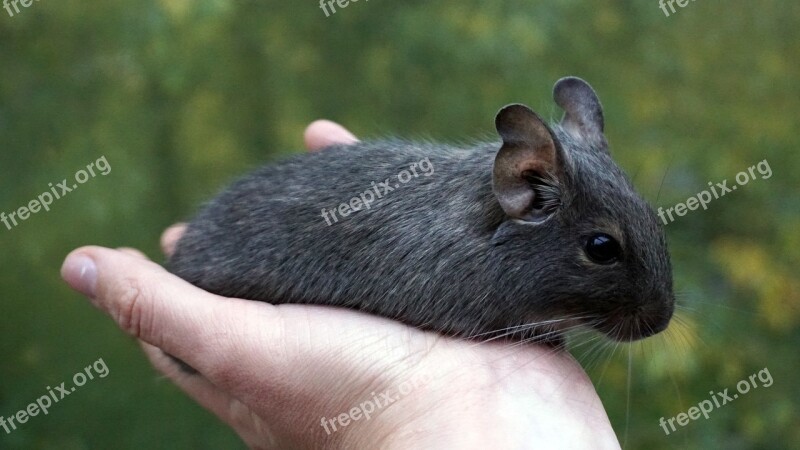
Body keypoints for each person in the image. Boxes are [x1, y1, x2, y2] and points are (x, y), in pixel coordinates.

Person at [60, 120, 620, 449]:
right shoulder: (471, 263)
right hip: (223, 264)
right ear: (524, 186)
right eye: (601, 252)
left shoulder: (488, 255)